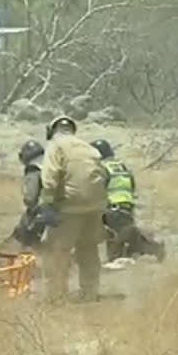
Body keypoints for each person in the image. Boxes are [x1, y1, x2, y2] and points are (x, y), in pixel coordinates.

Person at [34, 116, 108, 304]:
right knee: (88, 249)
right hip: (95, 206)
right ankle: (90, 293)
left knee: (56, 250)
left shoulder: (56, 145)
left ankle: (56, 296)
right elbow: (104, 174)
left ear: (52, 131)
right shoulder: (88, 147)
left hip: (69, 206)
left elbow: (50, 174)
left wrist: (47, 204)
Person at [93, 139, 166, 263]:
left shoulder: (101, 168)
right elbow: (131, 185)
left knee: (115, 245)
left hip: (111, 210)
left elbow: (96, 189)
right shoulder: (122, 166)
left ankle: (153, 249)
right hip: (126, 207)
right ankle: (152, 248)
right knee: (125, 236)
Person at [10, 139, 46, 249]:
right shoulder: (52, 164)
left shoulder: (34, 169)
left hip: (46, 212)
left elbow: (30, 198)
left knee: (23, 235)